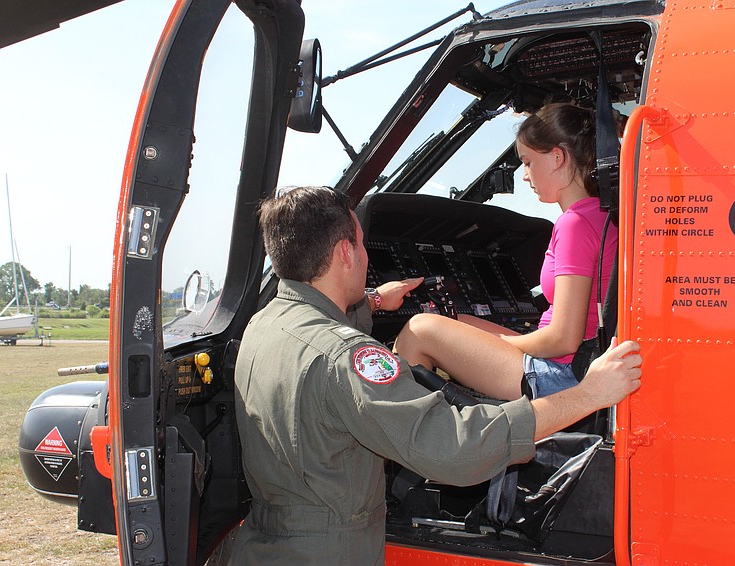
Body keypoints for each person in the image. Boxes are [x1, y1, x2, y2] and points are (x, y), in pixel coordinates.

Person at [230, 185, 640, 565]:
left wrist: (374, 299)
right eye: (360, 243)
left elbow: (320, 326)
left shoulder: (262, 324)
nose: (365, 253)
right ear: (345, 254)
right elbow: (457, 448)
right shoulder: (347, 359)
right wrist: (588, 395)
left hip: (265, 541)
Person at [394, 103, 617, 401]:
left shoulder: (574, 224)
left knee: (418, 329)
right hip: (575, 361)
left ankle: (428, 441)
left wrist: (499, 344)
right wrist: (490, 341)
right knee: (455, 321)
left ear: (557, 157)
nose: (525, 175)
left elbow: (564, 338)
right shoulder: (604, 216)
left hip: (560, 374)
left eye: (528, 162)